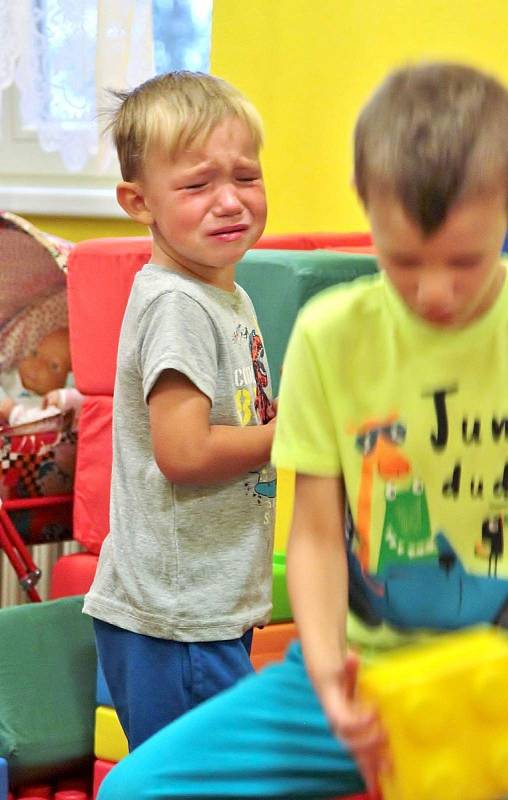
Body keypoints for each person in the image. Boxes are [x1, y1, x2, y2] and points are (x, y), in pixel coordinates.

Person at [96, 61, 508, 800]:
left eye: (462, 262)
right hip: (354, 669)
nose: (431, 294)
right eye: (401, 261)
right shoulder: (331, 335)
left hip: (506, 671)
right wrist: (329, 666)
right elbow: (317, 531)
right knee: (136, 787)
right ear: (367, 207)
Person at [82, 71, 276, 750]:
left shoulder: (225, 297)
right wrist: (292, 434)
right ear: (139, 202)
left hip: (203, 604)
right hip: (175, 618)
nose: (229, 202)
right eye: (196, 186)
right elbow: (185, 453)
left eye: (245, 177)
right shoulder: (177, 304)